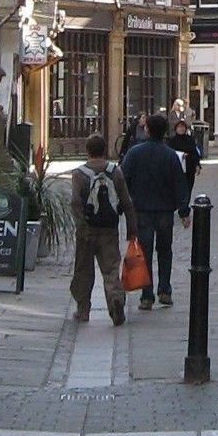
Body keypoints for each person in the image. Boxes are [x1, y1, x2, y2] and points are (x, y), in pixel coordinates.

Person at [120, 111, 190, 307]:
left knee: (146, 251)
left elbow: (123, 179)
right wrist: (184, 210)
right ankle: (165, 289)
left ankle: (147, 294)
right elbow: (179, 184)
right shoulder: (170, 155)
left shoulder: (135, 153)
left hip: (141, 209)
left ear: (148, 130)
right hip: (165, 210)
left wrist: (122, 205)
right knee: (165, 250)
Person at [69, 132, 137, 325]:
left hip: (87, 230)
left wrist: (81, 227)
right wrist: (132, 229)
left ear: (87, 151)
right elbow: (126, 201)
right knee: (111, 268)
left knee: (83, 270)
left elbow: (75, 202)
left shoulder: (79, 174)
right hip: (109, 229)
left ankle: (83, 310)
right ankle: (115, 300)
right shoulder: (115, 171)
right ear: (105, 150)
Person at [169, 113, 203, 208]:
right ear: (176, 129)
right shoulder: (172, 141)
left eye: (183, 127)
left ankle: (185, 204)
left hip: (189, 167)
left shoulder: (190, 139)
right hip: (178, 167)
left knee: (188, 187)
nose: (181, 129)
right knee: (178, 187)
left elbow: (195, 153)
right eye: (179, 127)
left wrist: (197, 165)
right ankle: (180, 203)